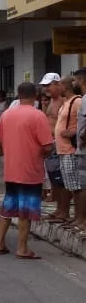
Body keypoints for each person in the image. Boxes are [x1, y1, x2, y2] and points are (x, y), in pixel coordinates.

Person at [0, 81, 54, 259]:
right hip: (30, 171)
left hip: (11, 169)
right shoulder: (38, 116)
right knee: (25, 210)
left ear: (18, 95)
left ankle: (0, 243)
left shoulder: (7, 115)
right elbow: (48, 146)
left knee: (8, 207)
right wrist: (42, 153)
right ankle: (22, 248)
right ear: (35, 95)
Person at [50, 75, 82, 226]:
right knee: (68, 184)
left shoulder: (77, 101)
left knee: (75, 186)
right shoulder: (66, 102)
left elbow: (83, 122)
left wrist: (74, 132)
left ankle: (79, 217)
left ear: (66, 86)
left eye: (60, 85)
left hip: (70, 149)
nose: (58, 87)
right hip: (62, 149)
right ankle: (70, 214)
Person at [40, 73, 66, 219]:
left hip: (60, 143)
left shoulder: (63, 101)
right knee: (53, 177)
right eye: (44, 86)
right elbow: (47, 120)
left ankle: (63, 210)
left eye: (48, 85)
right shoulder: (50, 101)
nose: (46, 89)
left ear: (57, 84)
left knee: (60, 179)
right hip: (51, 142)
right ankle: (59, 209)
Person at [71, 68, 86, 233]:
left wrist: (82, 138)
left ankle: (82, 220)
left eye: (75, 80)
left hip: (84, 150)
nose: (73, 83)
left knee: (83, 187)